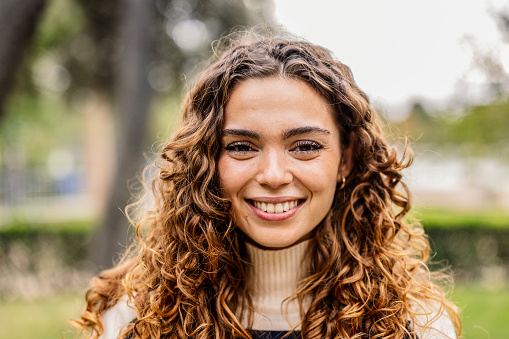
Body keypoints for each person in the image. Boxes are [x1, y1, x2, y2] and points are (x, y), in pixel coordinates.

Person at [71, 32, 461, 339]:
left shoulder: (415, 326)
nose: (274, 175)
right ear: (206, 160)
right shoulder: (133, 319)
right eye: (241, 147)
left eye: (305, 146)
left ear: (346, 158)